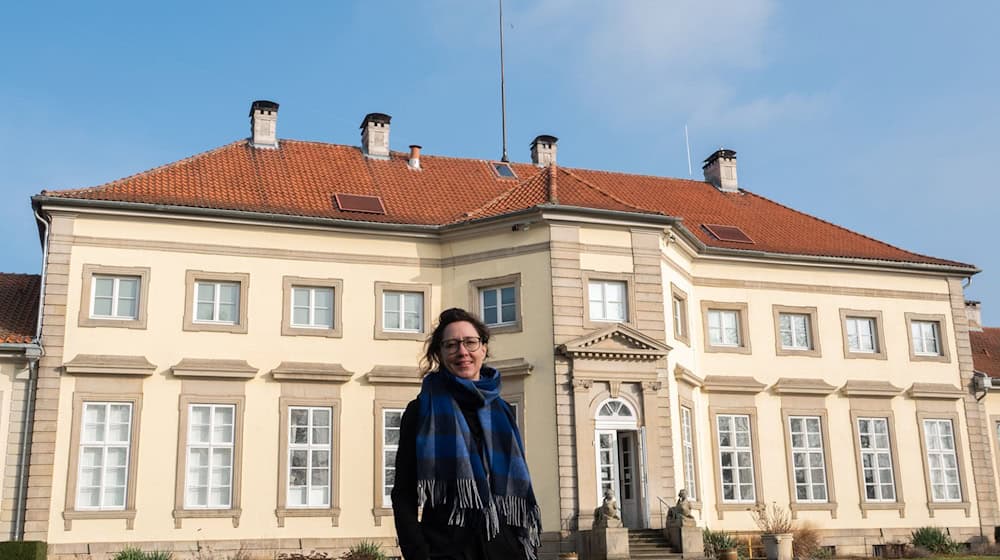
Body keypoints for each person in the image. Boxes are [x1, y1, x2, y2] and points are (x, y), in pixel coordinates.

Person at [392, 308, 541, 560]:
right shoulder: (421, 410)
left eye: (470, 342)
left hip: (504, 549)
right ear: (439, 353)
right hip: (446, 548)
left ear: (483, 348)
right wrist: (418, 554)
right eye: (451, 345)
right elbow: (403, 492)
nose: (462, 352)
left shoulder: (501, 410)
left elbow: (517, 485)